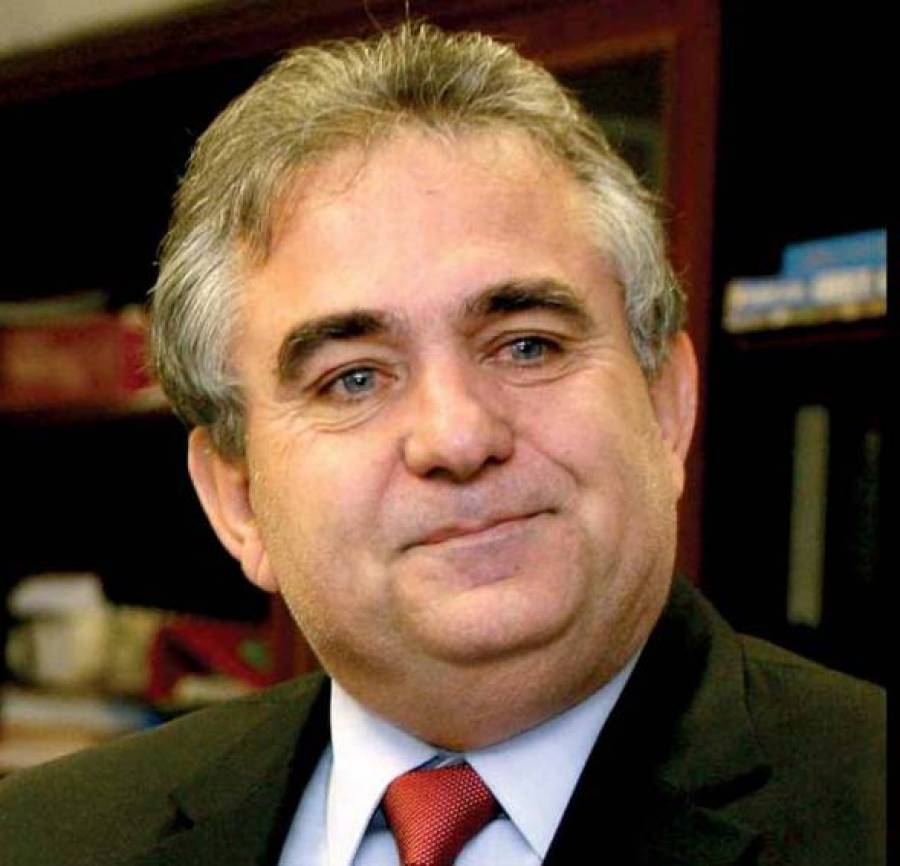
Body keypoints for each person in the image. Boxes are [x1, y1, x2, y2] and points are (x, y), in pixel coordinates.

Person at [0, 23, 884, 866]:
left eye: (527, 345)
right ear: (238, 501)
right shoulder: (43, 838)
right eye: (354, 378)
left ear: (666, 409)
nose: (459, 437)